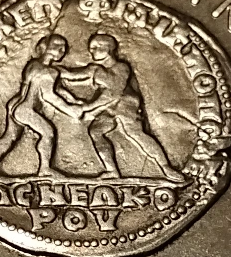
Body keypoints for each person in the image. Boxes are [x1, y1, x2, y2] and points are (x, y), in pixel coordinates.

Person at [60, 33, 187, 183]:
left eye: (96, 47)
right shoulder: (94, 69)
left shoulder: (121, 67)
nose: (92, 51)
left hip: (125, 105)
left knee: (136, 134)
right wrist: (51, 70)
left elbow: (113, 93)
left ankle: (166, 167)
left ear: (108, 48)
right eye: (91, 48)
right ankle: (112, 171)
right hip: (107, 108)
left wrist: (89, 107)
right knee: (96, 132)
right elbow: (72, 76)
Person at [0, 34, 81, 177]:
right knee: (48, 133)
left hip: (15, 104)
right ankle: (44, 169)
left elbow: (53, 88)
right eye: (56, 45)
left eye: (63, 47)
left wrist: (73, 100)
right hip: (26, 109)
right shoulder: (50, 72)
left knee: (9, 137)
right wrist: (70, 110)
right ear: (44, 47)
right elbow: (49, 95)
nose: (61, 50)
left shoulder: (34, 64)